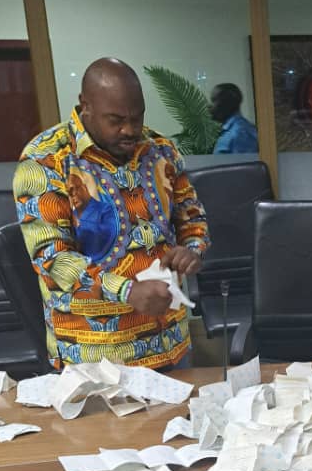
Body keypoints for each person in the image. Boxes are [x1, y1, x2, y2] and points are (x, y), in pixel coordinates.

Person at [14, 57, 210, 369]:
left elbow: (192, 218)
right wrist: (126, 291)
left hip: (169, 340)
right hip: (96, 357)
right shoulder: (45, 161)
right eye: (116, 119)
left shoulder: (161, 150)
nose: (130, 130)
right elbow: (52, 259)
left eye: (137, 117)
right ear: (85, 105)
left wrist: (192, 249)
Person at [210, 83, 258, 154]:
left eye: (214, 101)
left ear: (227, 103)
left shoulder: (240, 133)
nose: (210, 106)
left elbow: (246, 164)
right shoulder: (231, 130)